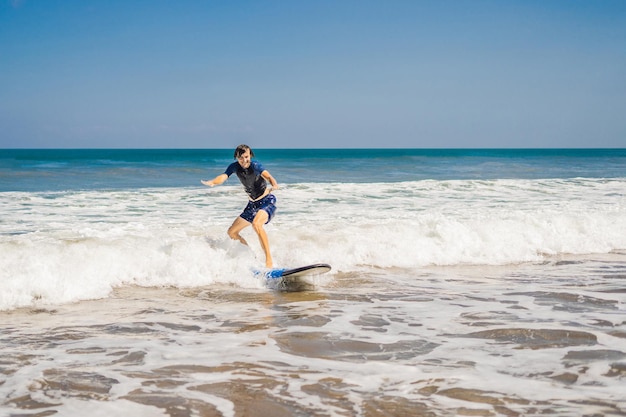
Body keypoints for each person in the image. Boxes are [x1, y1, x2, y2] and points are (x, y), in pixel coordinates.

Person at [201, 145, 279, 268]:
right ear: (236, 158)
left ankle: (269, 261)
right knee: (232, 232)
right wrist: (213, 182)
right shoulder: (234, 167)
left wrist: (274, 184)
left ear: (250, 155)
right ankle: (251, 257)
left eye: (246, 157)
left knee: (257, 224)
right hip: (252, 205)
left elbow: (268, 176)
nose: (244, 160)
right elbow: (224, 176)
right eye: (241, 158)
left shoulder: (256, 165)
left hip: (266, 200)